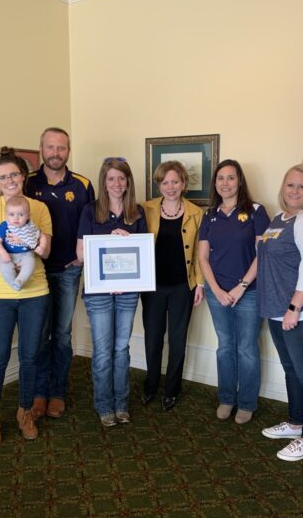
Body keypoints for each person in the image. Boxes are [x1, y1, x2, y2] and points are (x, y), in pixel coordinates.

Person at [0, 147, 52, 445]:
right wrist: (8, 263)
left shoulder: (39, 208)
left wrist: (31, 248)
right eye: (3, 177)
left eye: (15, 174)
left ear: (24, 175)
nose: (10, 180)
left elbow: (45, 250)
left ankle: (25, 412)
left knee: (31, 356)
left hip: (36, 292)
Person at [258, 164, 303, 462]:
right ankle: (295, 422)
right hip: (280, 309)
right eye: (290, 185)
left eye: (302, 187)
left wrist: (294, 308)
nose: (295, 191)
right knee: (292, 371)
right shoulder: (280, 219)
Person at [27, 127, 94, 419]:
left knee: (63, 335)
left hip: (68, 271)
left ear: (69, 150)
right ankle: (39, 393)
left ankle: (57, 392)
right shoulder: (27, 183)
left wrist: (83, 260)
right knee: (40, 335)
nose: (56, 153)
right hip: (35, 271)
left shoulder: (82, 185)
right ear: (41, 148)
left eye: (62, 148)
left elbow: (91, 223)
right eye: (51, 147)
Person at [197, 159, 270, 425]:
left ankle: (247, 402)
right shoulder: (210, 214)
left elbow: (263, 253)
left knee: (247, 348)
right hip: (218, 294)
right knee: (225, 347)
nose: (225, 183)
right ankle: (227, 398)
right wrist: (216, 290)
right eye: (220, 178)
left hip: (248, 292)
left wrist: (241, 287)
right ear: (214, 183)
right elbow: (203, 257)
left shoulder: (256, 211)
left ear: (239, 181)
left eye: (230, 178)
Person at [76, 157, 147, 427]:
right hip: (99, 293)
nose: (117, 183)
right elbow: (80, 254)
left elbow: (143, 255)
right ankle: (104, 405)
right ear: (104, 183)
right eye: (111, 179)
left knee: (122, 348)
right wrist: (109, 240)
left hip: (128, 292)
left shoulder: (137, 213)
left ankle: (121, 404)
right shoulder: (90, 211)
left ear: (128, 181)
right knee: (104, 351)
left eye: (121, 178)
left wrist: (128, 243)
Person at [141, 161, 204, 411]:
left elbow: (200, 252)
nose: (170, 187)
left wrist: (200, 283)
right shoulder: (146, 209)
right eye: (165, 182)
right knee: (153, 338)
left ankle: (172, 389)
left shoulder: (196, 213)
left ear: (184, 184)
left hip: (182, 286)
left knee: (178, 340)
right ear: (158, 184)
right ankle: (150, 384)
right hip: (152, 286)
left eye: (175, 182)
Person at [0, 195, 40, 291]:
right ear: (6, 215)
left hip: (25, 254)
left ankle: (20, 280)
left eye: (21, 215)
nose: (16, 218)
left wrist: (23, 240)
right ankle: (12, 283)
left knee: (30, 262)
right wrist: (3, 253)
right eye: (12, 214)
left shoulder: (30, 227)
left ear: (28, 216)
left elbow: (35, 242)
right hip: (8, 254)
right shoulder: (5, 226)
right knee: (5, 267)